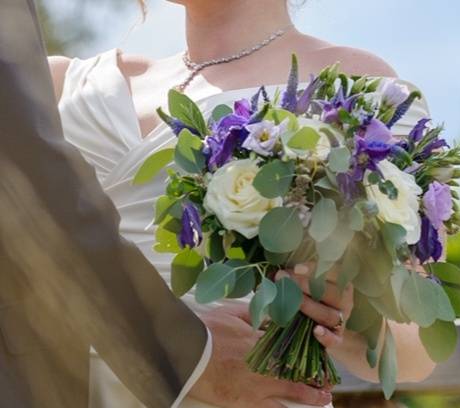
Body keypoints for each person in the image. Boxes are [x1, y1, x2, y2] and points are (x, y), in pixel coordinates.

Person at [47, 0, 438, 406]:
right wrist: (176, 352)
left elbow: (417, 349)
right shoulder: (58, 84)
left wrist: (350, 308)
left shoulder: (361, 87)